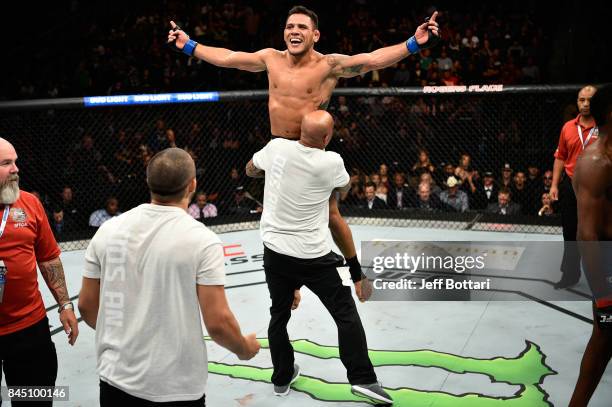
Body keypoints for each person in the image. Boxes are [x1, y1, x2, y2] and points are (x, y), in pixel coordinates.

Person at [168, 5, 440, 299]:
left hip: (309, 152)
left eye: (302, 27)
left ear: (315, 35)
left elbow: (372, 60)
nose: (294, 32)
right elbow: (229, 58)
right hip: (278, 152)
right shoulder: (270, 58)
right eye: (290, 27)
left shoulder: (329, 65)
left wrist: (413, 43)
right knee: (275, 218)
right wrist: (190, 46)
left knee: (330, 214)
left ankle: (355, 272)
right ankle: (290, 283)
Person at [78, 148, 260, 406]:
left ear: (148, 181)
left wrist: (128, 335)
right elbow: (218, 323)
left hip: (115, 378)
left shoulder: (109, 230)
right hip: (175, 386)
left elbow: (86, 306)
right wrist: (244, 348)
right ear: (192, 185)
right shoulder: (201, 240)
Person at [245, 111, 391, 404]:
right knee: (344, 311)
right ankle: (363, 379)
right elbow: (343, 188)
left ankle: (282, 377)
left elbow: (250, 169)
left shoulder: (276, 149)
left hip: (275, 252)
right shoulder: (332, 162)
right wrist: (356, 273)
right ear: (327, 138)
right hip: (312, 256)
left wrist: (270, 168)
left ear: (299, 130)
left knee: (279, 314)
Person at [0, 138, 79, 407]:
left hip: (29, 327)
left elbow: (48, 259)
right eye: (6, 163)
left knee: (35, 400)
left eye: (16, 161)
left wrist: (65, 304)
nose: (15, 169)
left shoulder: (30, 204)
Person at [568, 84, 612, 407]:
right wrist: (605, 297)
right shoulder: (595, 163)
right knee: (602, 343)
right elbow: (587, 238)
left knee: (603, 346)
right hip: (607, 266)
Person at [550, 85, 598, 289]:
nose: (585, 104)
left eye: (590, 100)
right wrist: (554, 185)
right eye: (581, 100)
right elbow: (560, 157)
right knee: (570, 232)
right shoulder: (568, 127)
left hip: (597, 187)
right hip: (570, 185)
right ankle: (570, 275)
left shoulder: (605, 127)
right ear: (577, 102)